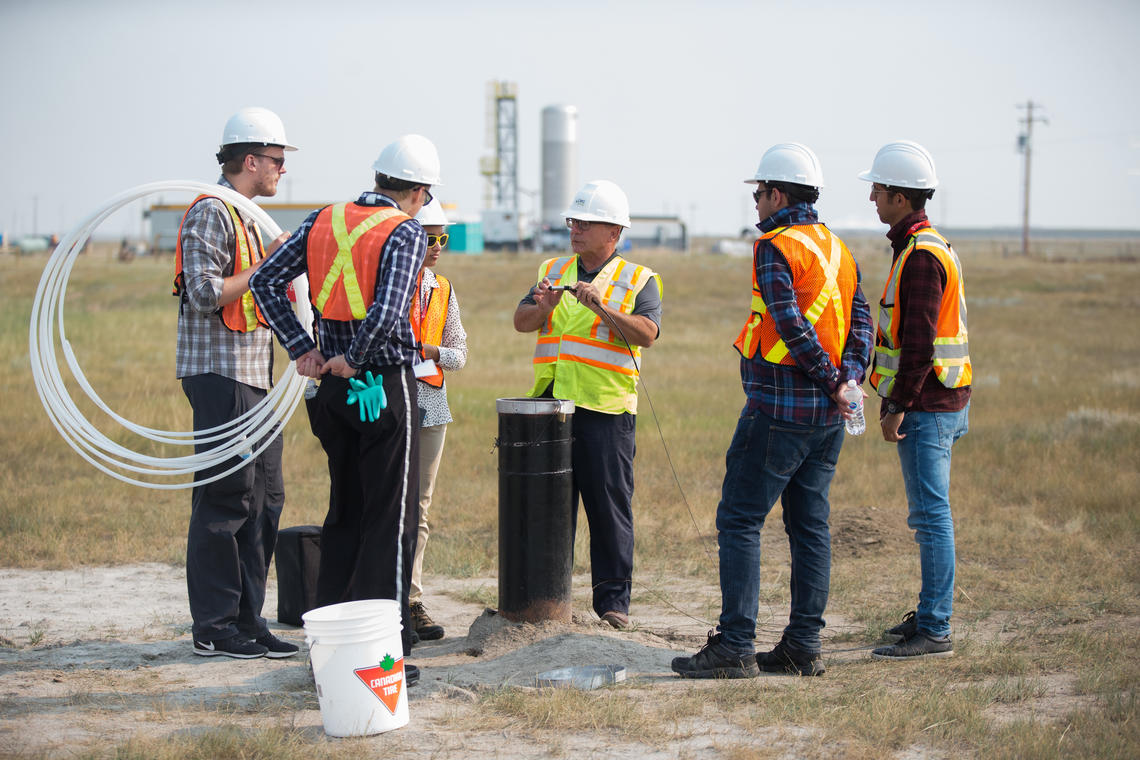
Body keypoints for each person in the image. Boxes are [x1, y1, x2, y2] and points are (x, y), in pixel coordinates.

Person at [671, 143, 873, 679]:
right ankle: (803, 644)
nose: (755, 203)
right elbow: (862, 320)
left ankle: (735, 645)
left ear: (777, 194)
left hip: (780, 408)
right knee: (810, 527)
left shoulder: (775, 246)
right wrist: (848, 379)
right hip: (829, 419)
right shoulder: (836, 247)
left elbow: (788, 324)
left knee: (740, 520)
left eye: (758, 193)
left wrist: (833, 380)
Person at [249, 134, 442, 681]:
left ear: (379, 178)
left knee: (345, 515)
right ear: (418, 192)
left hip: (332, 393)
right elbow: (386, 311)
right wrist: (355, 359)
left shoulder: (323, 218)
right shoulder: (403, 231)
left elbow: (265, 282)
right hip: (379, 384)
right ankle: (386, 655)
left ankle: (329, 650)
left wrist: (303, 350)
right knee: (392, 521)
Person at [175, 106, 298, 659]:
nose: (281, 170)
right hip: (220, 373)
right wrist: (264, 270)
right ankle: (214, 625)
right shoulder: (213, 213)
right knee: (227, 497)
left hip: (255, 378)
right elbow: (203, 293)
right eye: (276, 160)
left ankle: (249, 619)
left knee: (266, 497)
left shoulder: (251, 219)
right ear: (250, 160)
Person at [512, 180, 662, 630]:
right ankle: (543, 601)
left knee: (608, 509)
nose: (575, 229)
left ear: (613, 231)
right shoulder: (552, 269)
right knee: (545, 508)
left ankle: (612, 606)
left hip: (606, 412)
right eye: (573, 221)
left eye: (586, 223)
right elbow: (522, 321)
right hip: (551, 407)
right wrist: (543, 307)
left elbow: (648, 334)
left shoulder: (640, 279)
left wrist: (602, 308)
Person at [859, 141, 972, 661]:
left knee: (931, 517)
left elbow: (921, 343)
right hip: (936, 401)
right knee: (929, 516)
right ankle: (929, 614)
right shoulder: (921, 246)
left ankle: (936, 628)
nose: (873, 199)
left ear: (901, 197)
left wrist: (896, 405)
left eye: (878, 190)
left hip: (927, 406)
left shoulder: (922, 256)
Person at [408, 198, 468, 641]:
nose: (437, 247)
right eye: (430, 238)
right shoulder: (387, 284)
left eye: (442, 239)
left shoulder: (443, 290)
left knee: (420, 508)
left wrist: (427, 352)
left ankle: (411, 601)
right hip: (388, 403)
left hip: (432, 405)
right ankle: (381, 599)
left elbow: (459, 354)